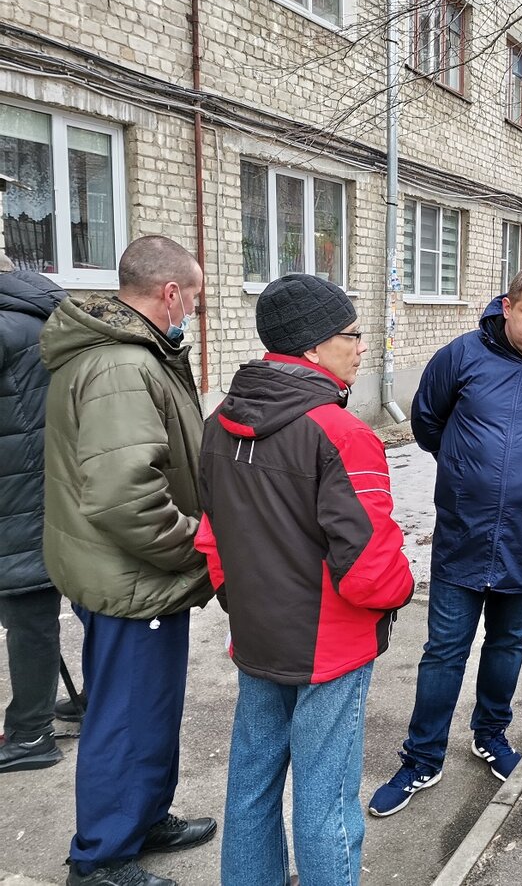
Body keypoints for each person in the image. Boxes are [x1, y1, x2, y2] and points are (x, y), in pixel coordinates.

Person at [196, 273, 415, 886]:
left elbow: (211, 537)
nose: (362, 347)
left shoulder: (220, 422)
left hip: (257, 636)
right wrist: (399, 594)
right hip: (330, 648)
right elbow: (371, 568)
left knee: (252, 786)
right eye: (352, 335)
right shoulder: (341, 433)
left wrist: (242, 604)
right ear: (314, 348)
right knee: (326, 800)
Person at [369, 266, 522, 817]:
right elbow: (427, 422)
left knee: (507, 644)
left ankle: (491, 735)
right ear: (506, 307)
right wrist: (462, 468)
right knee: (444, 650)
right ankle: (422, 757)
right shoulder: (462, 356)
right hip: (463, 532)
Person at [41, 236, 218, 886]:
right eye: (193, 298)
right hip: (132, 573)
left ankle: (143, 818)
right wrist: (194, 543)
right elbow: (125, 497)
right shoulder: (122, 365)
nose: (192, 311)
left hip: (124, 571)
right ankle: (102, 858)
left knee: (147, 707)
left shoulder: (129, 354)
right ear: (170, 294)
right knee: (125, 714)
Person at [0, 259, 67, 772]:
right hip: (44, 482)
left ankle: (29, 732)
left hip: (18, 491)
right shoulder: (42, 310)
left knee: (29, 614)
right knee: (42, 606)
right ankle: (81, 701)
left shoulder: (9, 324)